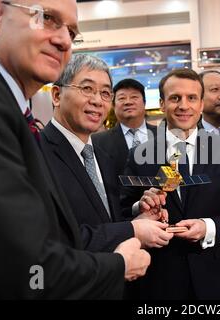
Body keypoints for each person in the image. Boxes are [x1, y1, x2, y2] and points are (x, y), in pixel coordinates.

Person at [0, 0, 149, 298]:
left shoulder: (8, 109)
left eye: (72, 32)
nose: (64, 40)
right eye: (47, 18)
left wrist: (135, 216)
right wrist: (119, 265)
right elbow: (28, 270)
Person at [120, 68, 220, 299]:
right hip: (160, 279)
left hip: (217, 279)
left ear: (201, 104)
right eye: (175, 98)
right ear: (162, 104)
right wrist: (140, 208)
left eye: (191, 98)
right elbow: (122, 211)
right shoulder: (139, 154)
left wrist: (208, 227)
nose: (184, 105)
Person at [41, 54, 173, 253]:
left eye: (105, 93)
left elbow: (106, 220)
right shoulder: (36, 154)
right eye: (87, 89)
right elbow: (51, 238)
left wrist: (139, 213)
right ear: (57, 96)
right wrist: (132, 230)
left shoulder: (102, 157)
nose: (97, 101)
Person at [93, 78, 157, 176]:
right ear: (113, 106)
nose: (128, 102)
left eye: (134, 97)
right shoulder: (97, 142)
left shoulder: (164, 135)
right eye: (122, 98)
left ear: (144, 103)